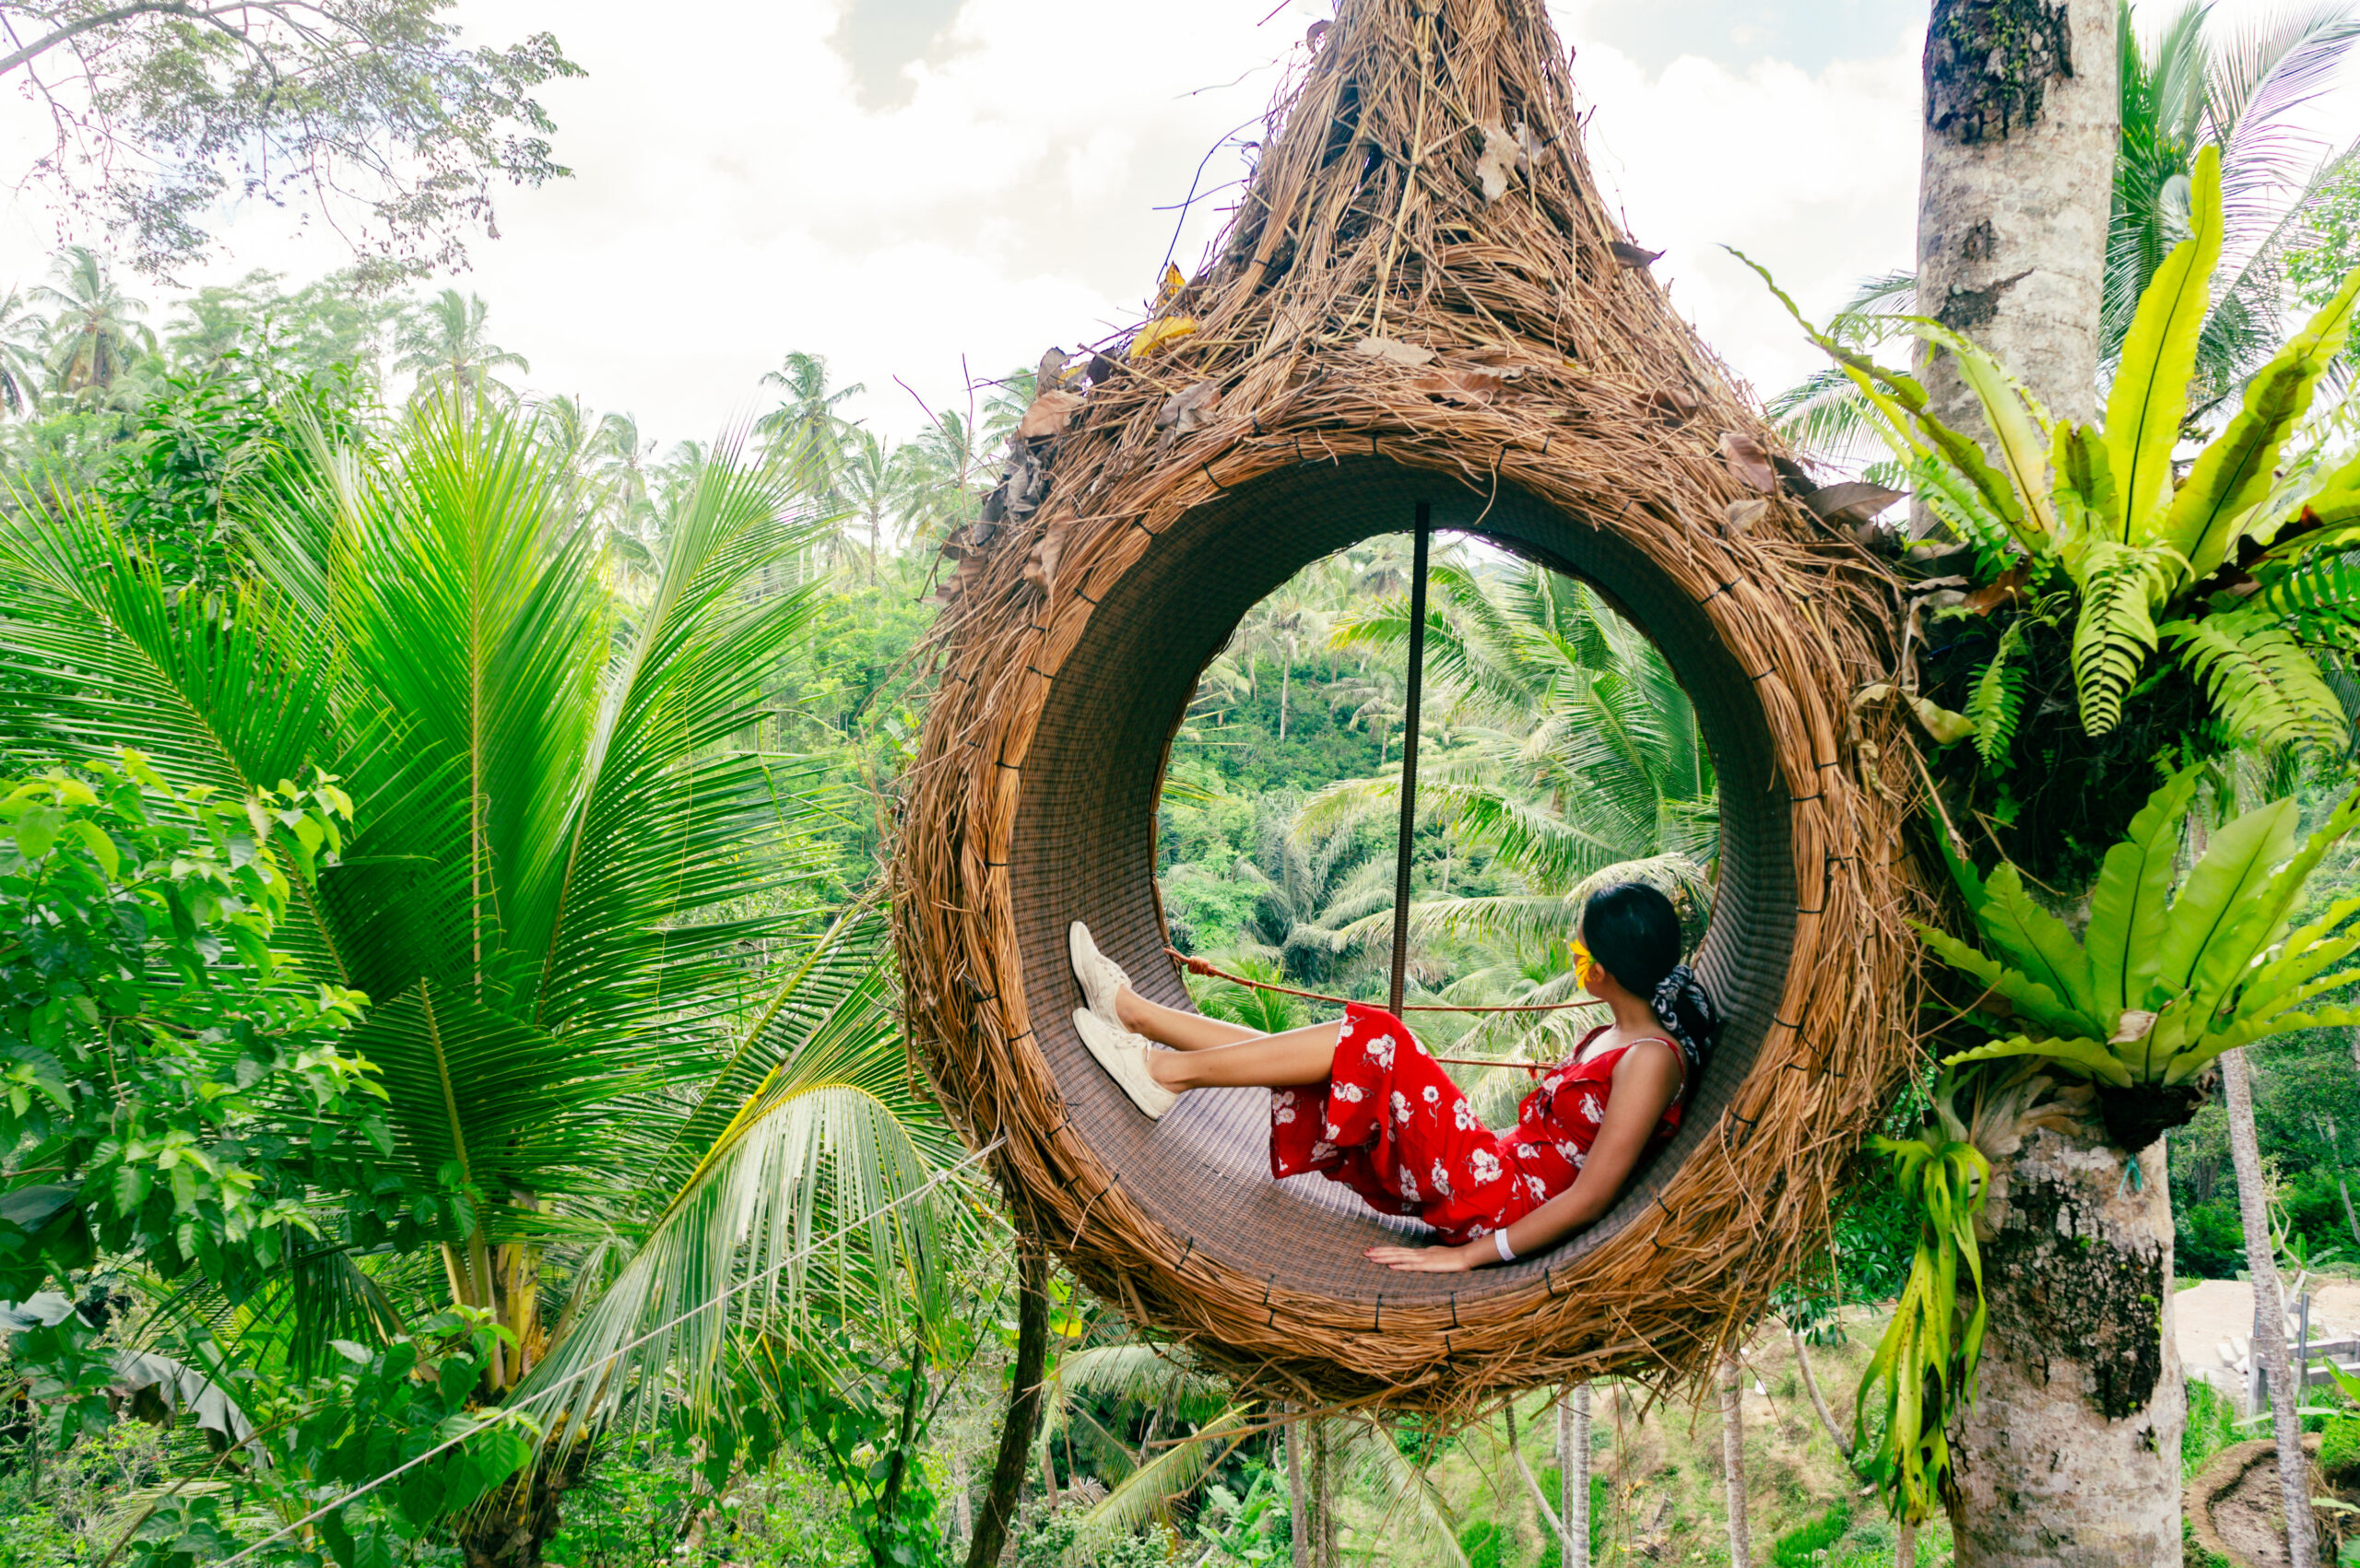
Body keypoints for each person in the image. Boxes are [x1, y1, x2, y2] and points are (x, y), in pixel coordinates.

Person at [1066, 882, 1716, 1273]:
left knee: (1377, 1036)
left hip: (1495, 1203)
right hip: (1489, 1165)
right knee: (1334, 1063)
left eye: (1577, 952)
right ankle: (1133, 1013)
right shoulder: (1619, 1034)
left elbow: (1589, 1197)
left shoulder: (1649, 1060)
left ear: (1599, 971)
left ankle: (1161, 1072)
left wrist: (1468, 1256)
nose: (1572, 960)